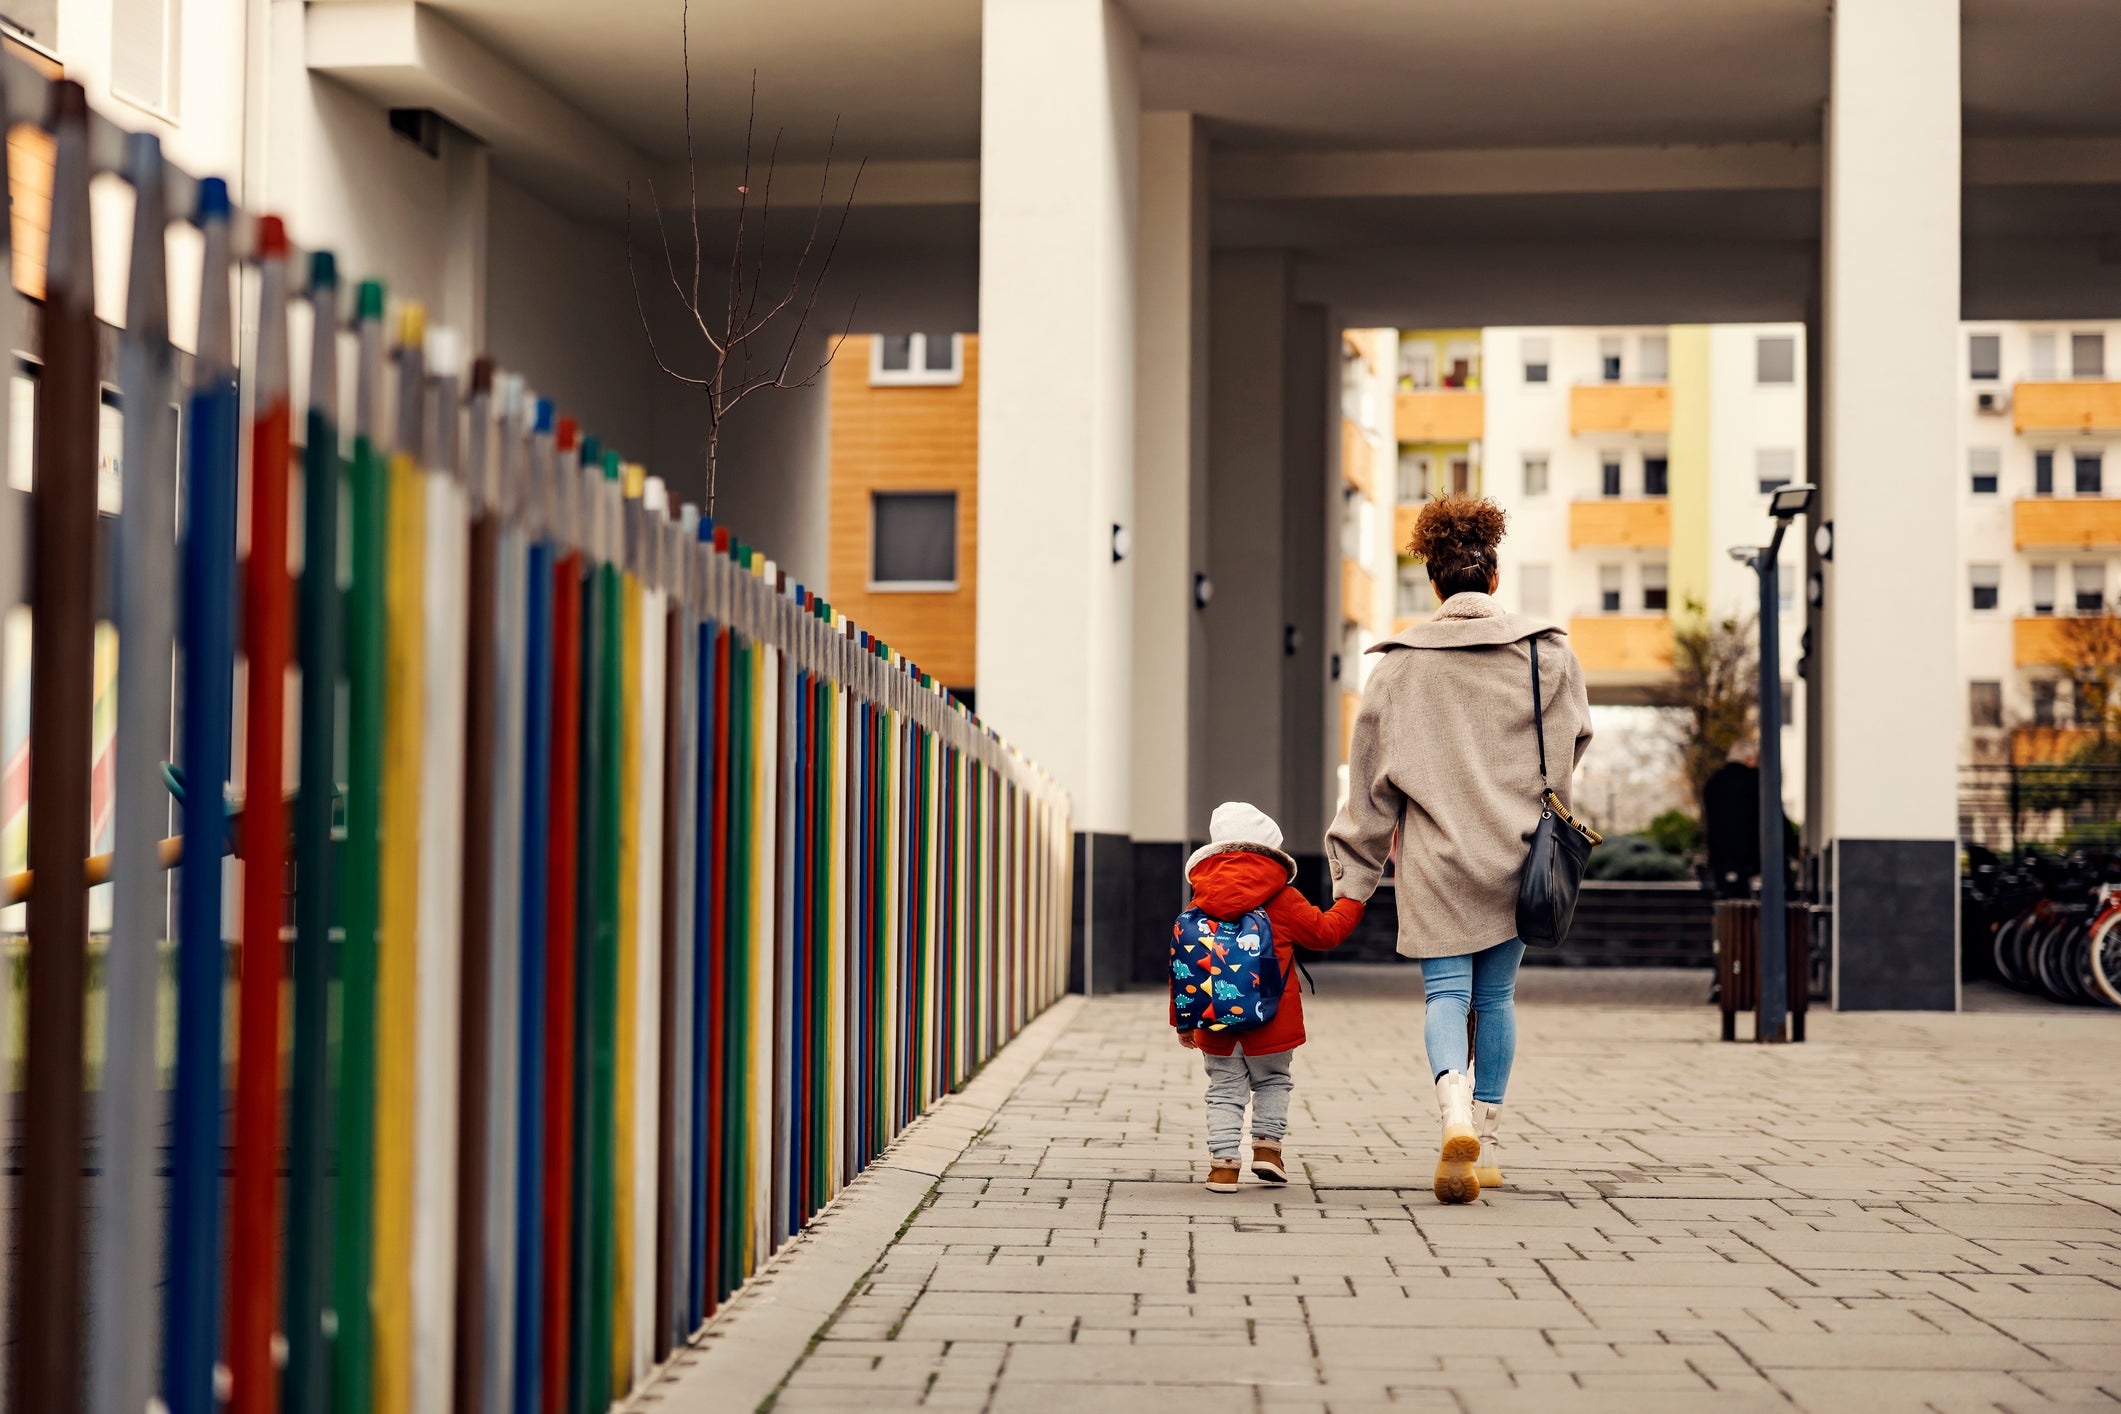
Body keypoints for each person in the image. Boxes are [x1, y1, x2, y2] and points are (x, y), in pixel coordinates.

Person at [1326, 495, 1591, 1204]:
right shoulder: (1547, 651)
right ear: (1494, 580)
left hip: (1435, 862)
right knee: (1496, 996)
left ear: (1433, 585)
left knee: (1447, 993)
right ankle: (1491, 1143)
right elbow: (1571, 748)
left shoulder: (1398, 667)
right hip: (1518, 855)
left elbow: (1369, 786)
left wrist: (1352, 878)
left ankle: (1453, 1112)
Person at [1172, 802, 1363, 1193]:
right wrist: (1353, 900)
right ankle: (1267, 1151)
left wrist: (1185, 1022)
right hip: (1273, 1020)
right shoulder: (1284, 898)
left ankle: (1223, 1167)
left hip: (1214, 1018)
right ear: (1272, 853)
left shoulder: (1200, 901)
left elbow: (1185, 962)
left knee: (1224, 1091)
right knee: (1274, 1081)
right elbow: (1326, 934)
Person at [1703, 739, 1761, 899]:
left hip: (1720, 855)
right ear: (1749, 759)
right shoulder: (1755, 780)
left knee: (1725, 901)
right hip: (1749, 856)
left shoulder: (1714, 781)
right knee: (1745, 902)